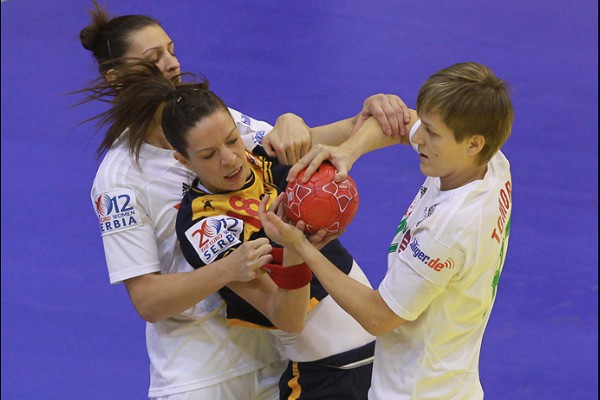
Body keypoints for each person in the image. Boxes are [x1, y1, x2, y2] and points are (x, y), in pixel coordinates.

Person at [77, 2, 409, 398]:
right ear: (116, 77)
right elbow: (147, 300)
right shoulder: (120, 179)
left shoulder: (211, 124)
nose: (171, 64)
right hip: (200, 370)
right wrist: (230, 268)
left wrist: (360, 117)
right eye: (153, 59)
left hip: (273, 353)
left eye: (170, 49)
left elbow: (285, 148)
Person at [259, 62, 514, 399]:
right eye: (425, 124)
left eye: (432, 133)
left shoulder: (448, 230)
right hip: (450, 383)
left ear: (472, 143)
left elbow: (377, 316)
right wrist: (348, 152)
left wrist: (302, 247)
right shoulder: (492, 163)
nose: (418, 138)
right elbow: (399, 124)